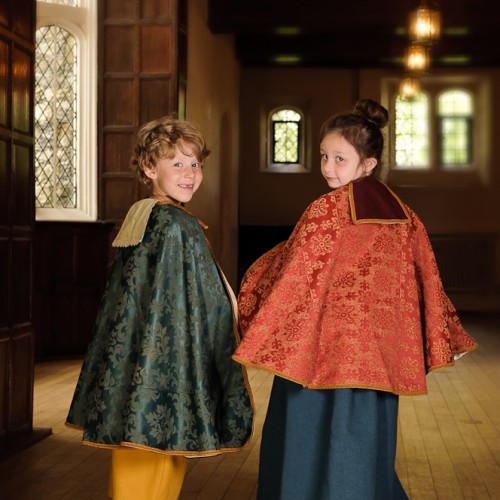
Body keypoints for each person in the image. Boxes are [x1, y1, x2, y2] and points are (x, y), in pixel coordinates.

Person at [232, 99, 478, 500]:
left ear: (368, 164)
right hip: (378, 355)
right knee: (363, 438)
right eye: (324, 156)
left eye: (340, 159)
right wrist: (440, 328)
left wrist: (254, 286)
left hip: (316, 351)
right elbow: (427, 279)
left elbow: (291, 270)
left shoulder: (324, 210)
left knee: (305, 434)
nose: (328, 167)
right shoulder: (406, 216)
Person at [66, 115, 254, 500]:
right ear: (149, 168)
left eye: (195, 163)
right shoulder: (174, 224)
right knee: (160, 456)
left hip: (139, 364)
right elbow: (200, 299)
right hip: (166, 366)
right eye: (177, 163)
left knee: (141, 452)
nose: (190, 174)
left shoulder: (145, 212)